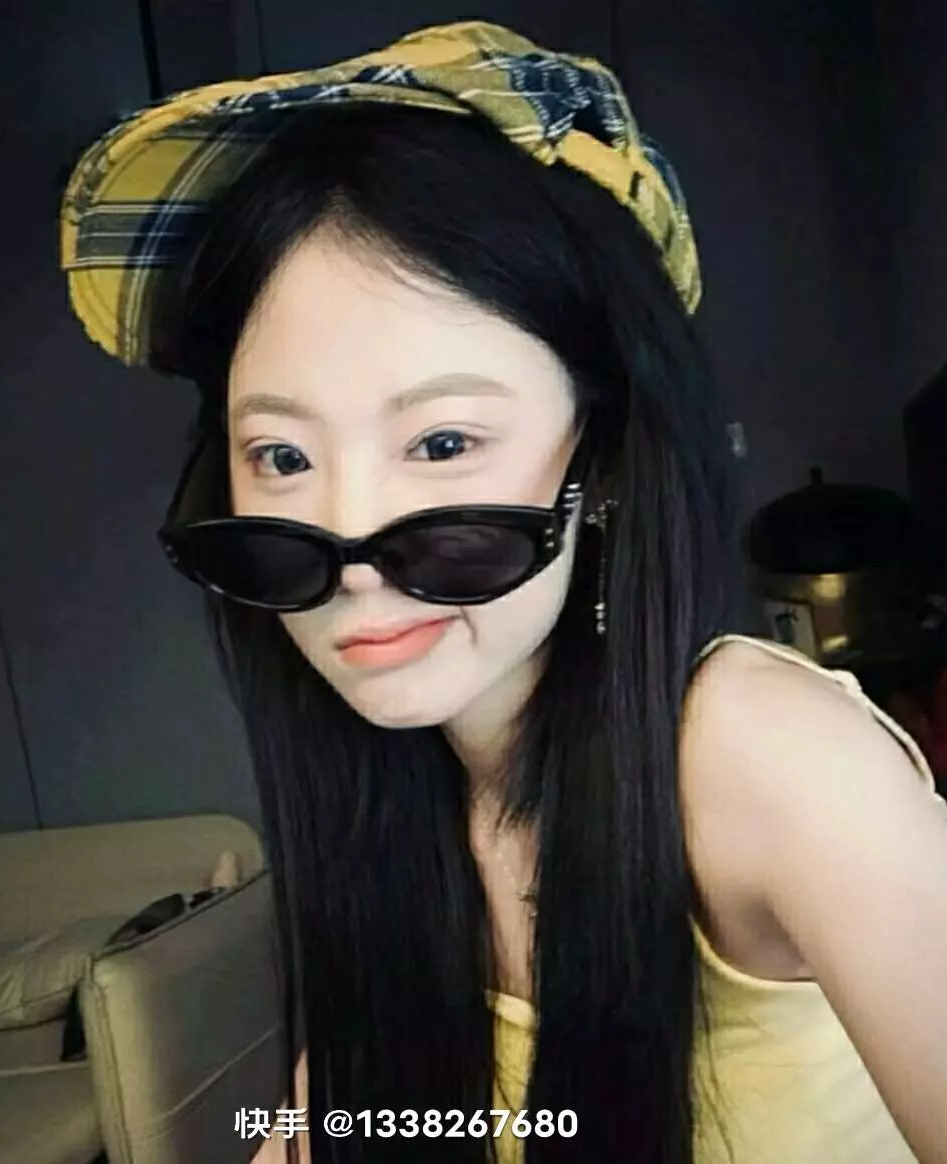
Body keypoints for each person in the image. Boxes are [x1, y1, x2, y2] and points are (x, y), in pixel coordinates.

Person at [60, 22, 947, 1164]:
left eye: (441, 443)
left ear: (606, 459)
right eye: (281, 456)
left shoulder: (762, 755)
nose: (349, 544)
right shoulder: (401, 796)